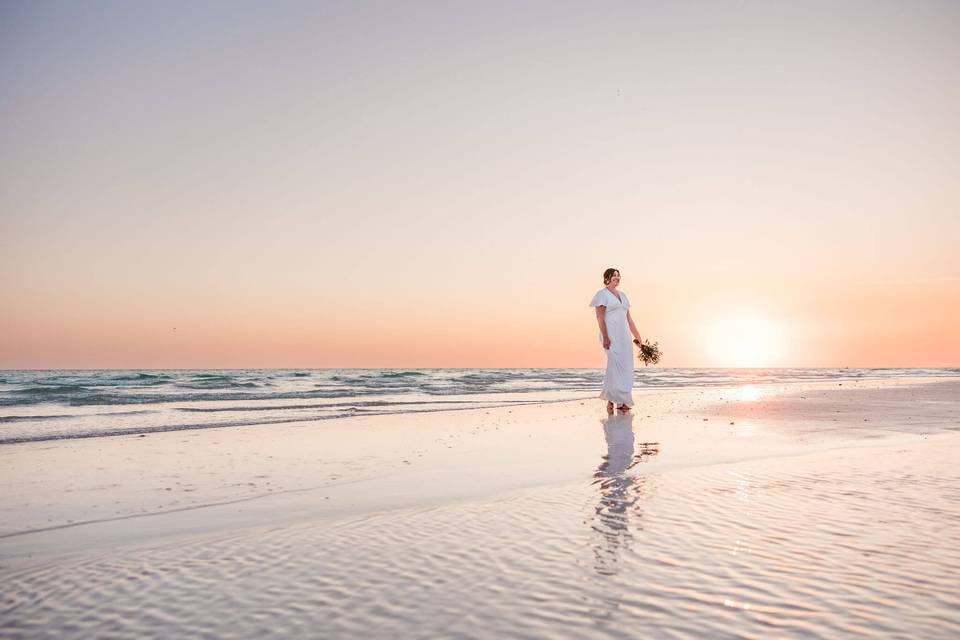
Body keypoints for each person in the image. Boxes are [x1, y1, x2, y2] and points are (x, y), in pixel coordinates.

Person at [589, 268, 643, 412]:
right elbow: (600, 317)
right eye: (614, 276)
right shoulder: (602, 295)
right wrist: (605, 337)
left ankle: (623, 401)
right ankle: (610, 400)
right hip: (611, 336)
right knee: (614, 366)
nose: (617, 278)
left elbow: (629, 319)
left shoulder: (623, 296)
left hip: (624, 336)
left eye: (618, 276)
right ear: (607, 277)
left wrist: (638, 338)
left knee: (626, 367)